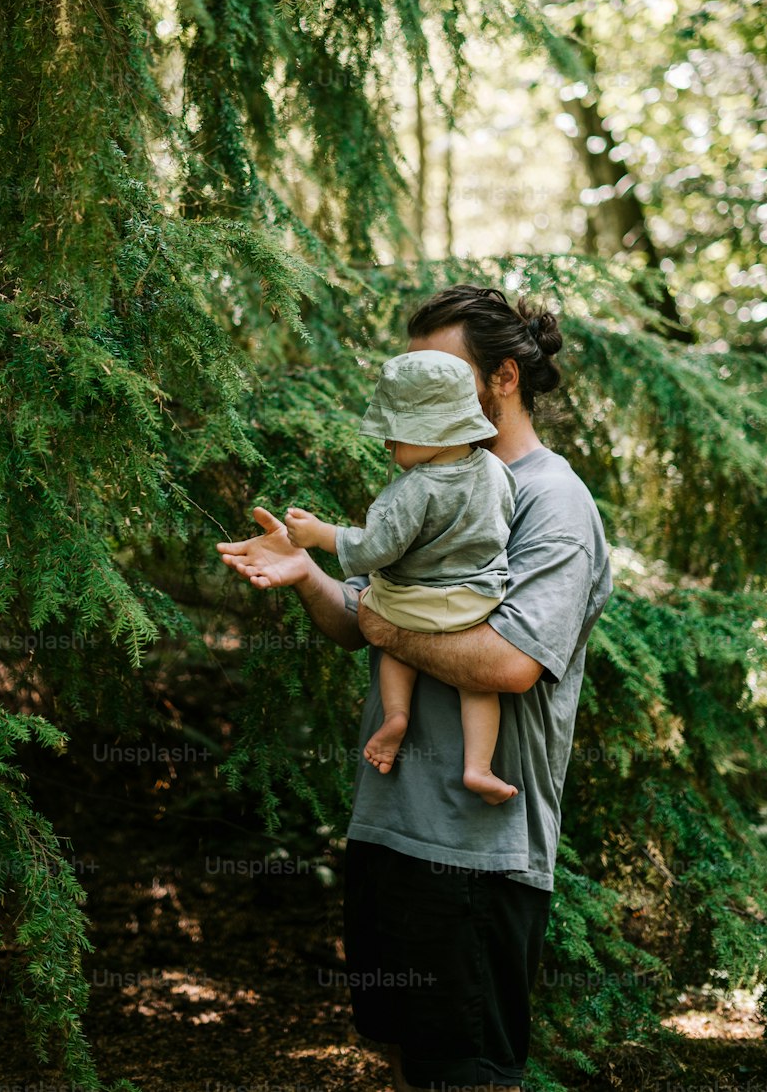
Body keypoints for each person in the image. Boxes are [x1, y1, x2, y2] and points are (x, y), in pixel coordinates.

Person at [217, 284, 613, 1092]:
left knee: (463, 1071)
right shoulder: (432, 484)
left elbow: (508, 664)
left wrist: (380, 623)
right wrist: (308, 577)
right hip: (392, 824)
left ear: (502, 378)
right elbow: (362, 619)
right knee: (408, 1053)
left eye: (438, 372)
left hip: (472, 849)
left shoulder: (551, 501)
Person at [283, 348, 519, 803]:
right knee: (478, 684)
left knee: (390, 632)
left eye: (395, 436)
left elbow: (375, 548)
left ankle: (396, 716)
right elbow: (502, 524)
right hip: (477, 601)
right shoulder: (497, 470)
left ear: (431, 431)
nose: (388, 448)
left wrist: (319, 534)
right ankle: (479, 767)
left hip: (411, 600)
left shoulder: (416, 489)